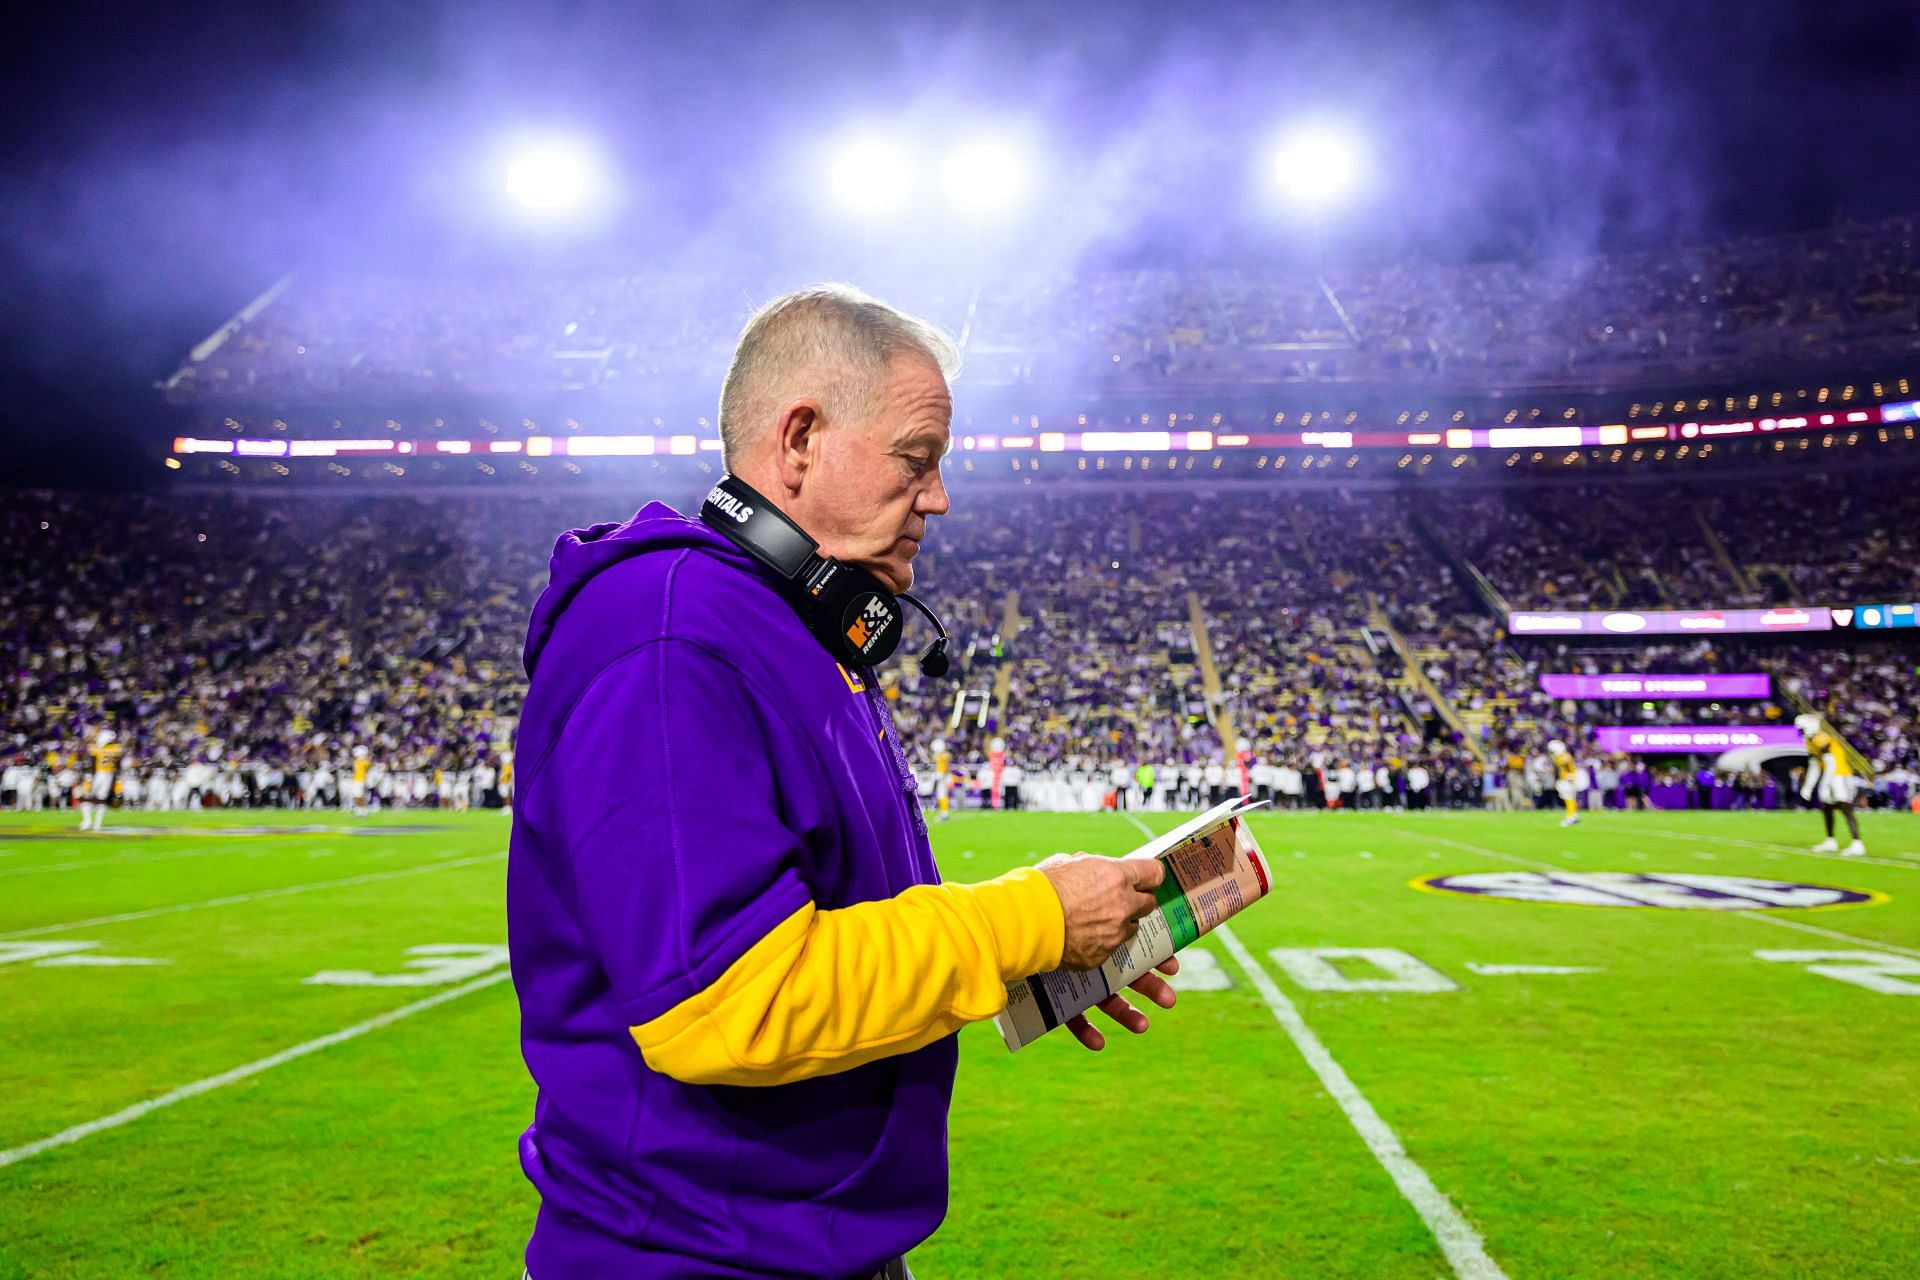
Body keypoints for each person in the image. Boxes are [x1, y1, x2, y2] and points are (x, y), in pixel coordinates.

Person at [507, 285, 1181, 1279]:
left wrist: (1028, 958)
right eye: (918, 458)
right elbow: (731, 1001)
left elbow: (842, 931)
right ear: (801, 440)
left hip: (796, 1242)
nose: (940, 496)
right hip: (693, 1256)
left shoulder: (785, 628)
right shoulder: (668, 631)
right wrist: (1026, 918)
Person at [1797, 713, 1865, 855]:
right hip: (1831, 774)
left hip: (1840, 774)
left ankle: (1857, 843)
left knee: (1845, 807)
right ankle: (1830, 840)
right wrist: (1808, 787)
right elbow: (1815, 765)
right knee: (1827, 807)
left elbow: (1831, 763)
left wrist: (1825, 784)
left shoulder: (1821, 738)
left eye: (1801, 728)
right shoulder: (1810, 740)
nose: (1799, 732)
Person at [78, 728, 122, 832]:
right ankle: (97, 824)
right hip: (110, 776)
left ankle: (88, 821)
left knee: (86, 798)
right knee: (101, 801)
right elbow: (118, 764)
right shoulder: (116, 749)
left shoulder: (97, 749)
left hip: (99, 775)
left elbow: (92, 763)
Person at [1549, 739, 1580, 827]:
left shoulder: (1563, 757)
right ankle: (1573, 815)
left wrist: (1570, 776)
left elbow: (1566, 765)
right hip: (1567, 779)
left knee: (1569, 798)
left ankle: (1570, 817)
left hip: (1567, 780)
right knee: (1570, 798)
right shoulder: (1563, 756)